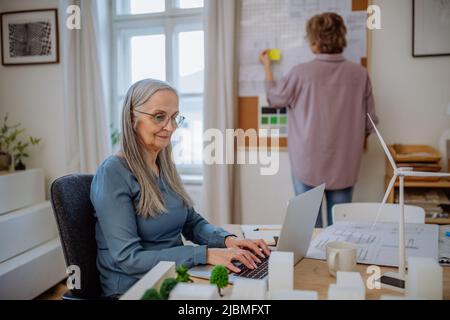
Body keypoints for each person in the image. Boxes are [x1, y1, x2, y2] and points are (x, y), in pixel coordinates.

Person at [91, 79, 270, 297]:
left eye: (174, 117)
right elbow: (130, 259)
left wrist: (227, 240)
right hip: (135, 288)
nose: (171, 127)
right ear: (132, 118)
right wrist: (203, 255)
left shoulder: (163, 165)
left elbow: (191, 222)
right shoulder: (112, 173)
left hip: (177, 275)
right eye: (159, 117)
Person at [260, 12, 378, 227]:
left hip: (307, 164)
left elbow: (275, 98)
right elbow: (370, 124)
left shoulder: (300, 73)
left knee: (309, 234)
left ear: (314, 41)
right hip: (345, 165)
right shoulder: (360, 74)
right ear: (342, 37)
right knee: (340, 234)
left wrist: (267, 65)